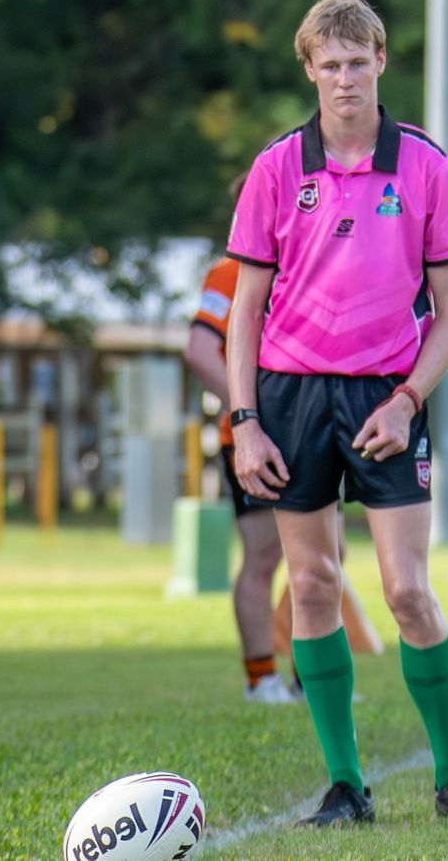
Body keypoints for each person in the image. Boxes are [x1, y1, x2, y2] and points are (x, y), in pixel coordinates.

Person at [226, 0, 448, 826]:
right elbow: (242, 312)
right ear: (309, 70)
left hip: (386, 397)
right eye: (329, 65)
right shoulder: (277, 167)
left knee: (407, 590)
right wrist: (245, 421)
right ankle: (345, 785)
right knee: (310, 584)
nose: (345, 79)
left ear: (381, 61)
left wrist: (409, 397)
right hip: (291, 397)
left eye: (359, 62)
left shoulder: (424, 165)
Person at [184, 258, 301, 704]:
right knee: (265, 555)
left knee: (327, 556)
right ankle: (261, 678)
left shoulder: (304, 264)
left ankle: (308, 679)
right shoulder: (230, 271)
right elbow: (199, 350)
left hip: (304, 431)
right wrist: (249, 411)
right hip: (253, 439)